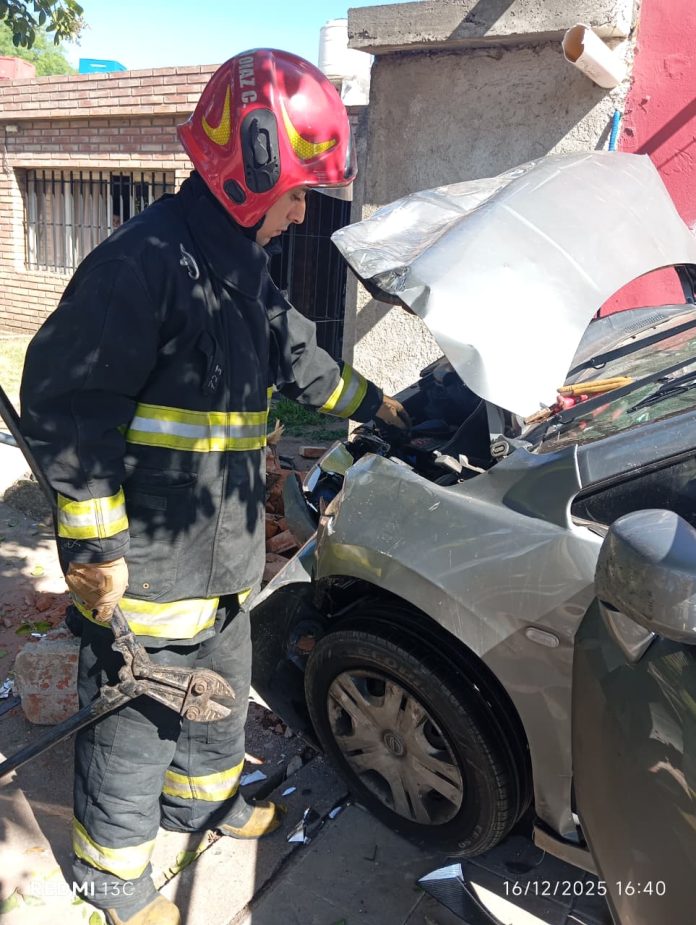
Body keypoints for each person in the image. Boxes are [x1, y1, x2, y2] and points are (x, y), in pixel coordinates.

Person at [20, 49, 410, 925]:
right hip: (146, 564)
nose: (303, 210)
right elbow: (64, 398)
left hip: (223, 550)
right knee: (133, 722)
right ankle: (114, 885)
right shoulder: (143, 263)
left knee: (218, 698)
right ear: (254, 167)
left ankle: (201, 808)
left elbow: (300, 357)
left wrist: (377, 403)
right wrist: (92, 545)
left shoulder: (238, 267)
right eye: (300, 191)